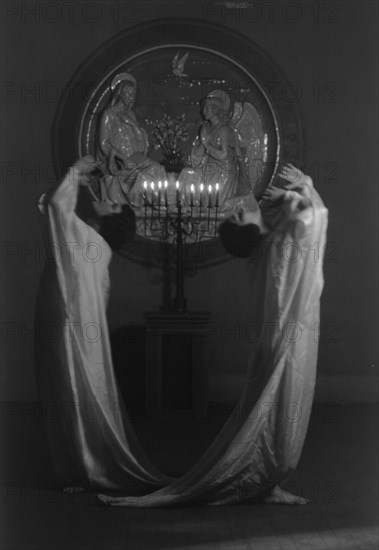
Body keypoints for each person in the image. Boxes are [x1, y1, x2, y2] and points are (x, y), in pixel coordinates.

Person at [98, 164, 328, 506]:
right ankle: (264, 477)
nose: (240, 209)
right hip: (289, 342)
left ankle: (268, 480)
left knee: (280, 408)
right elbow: (314, 219)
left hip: (287, 338)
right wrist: (303, 186)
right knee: (279, 407)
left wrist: (294, 194)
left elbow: (304, 222)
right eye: (239, 215)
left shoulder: (270, 246)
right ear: (245, 228)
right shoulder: (276, 248)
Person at [35, 156, 172, 492]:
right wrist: (80, 182)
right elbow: (53, 209)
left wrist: (76, 172)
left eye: (111, 204)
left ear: (112, 221)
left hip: (69, 327)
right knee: (69, 391)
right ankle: (81, 465)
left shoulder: (91, 244)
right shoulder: (94, 244)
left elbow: (53, 205)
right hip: (67, 323)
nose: (105, 200)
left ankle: (85, 467)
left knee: (72, 389)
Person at [97, 73, 166, 207]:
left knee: (158, 168)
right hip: (118, 160)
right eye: (128, 93)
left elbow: (139, 144)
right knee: (141, 177)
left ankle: (163, 203)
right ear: (119, 93)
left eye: (133, 94)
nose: (131, 97)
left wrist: (134, 126)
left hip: (134, 156)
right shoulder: (108, 115)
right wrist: (122, 158)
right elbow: (103, 143)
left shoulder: (130, 114)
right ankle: (151, 204)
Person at [179, 90, 252, 209]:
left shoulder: (224, 130)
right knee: (186, 173)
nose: (203, 111)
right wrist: (202, 150)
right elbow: (201, 156)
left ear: (215, 110)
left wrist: (206, 144)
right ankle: (185, 208)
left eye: (207, 108)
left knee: (214, 206)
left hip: (223, 173)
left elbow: (224, 155)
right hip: (209, 170)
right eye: (204, 108)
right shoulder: (207, 128)